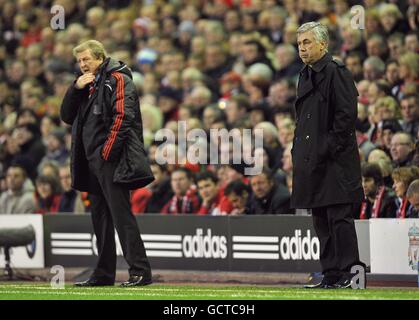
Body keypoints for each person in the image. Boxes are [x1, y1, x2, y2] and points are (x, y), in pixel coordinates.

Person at [60, 40, 155, 287]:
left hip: (110, 160)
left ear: (100, 58)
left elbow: (124, 116)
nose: (82, 65)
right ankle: (103, 274)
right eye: (79, 61)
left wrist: (107, 153)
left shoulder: (118, 79)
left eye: (86, 59)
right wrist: (74, 89)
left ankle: (140, 271)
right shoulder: (86, 84)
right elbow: (66, 117)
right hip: (91, 160)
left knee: (121, 215)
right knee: (100, 218)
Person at [292, 22, 365, 289]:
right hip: (312, 161)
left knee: (339, 218)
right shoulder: (304, 75)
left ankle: (351, 274)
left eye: (307, 42)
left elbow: (346, 117)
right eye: (300, 44)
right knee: (321, 220)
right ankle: (331, 274)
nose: (302, 48)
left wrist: (326, 148)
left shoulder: (336, 72)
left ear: (323, 43)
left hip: (335, 161)